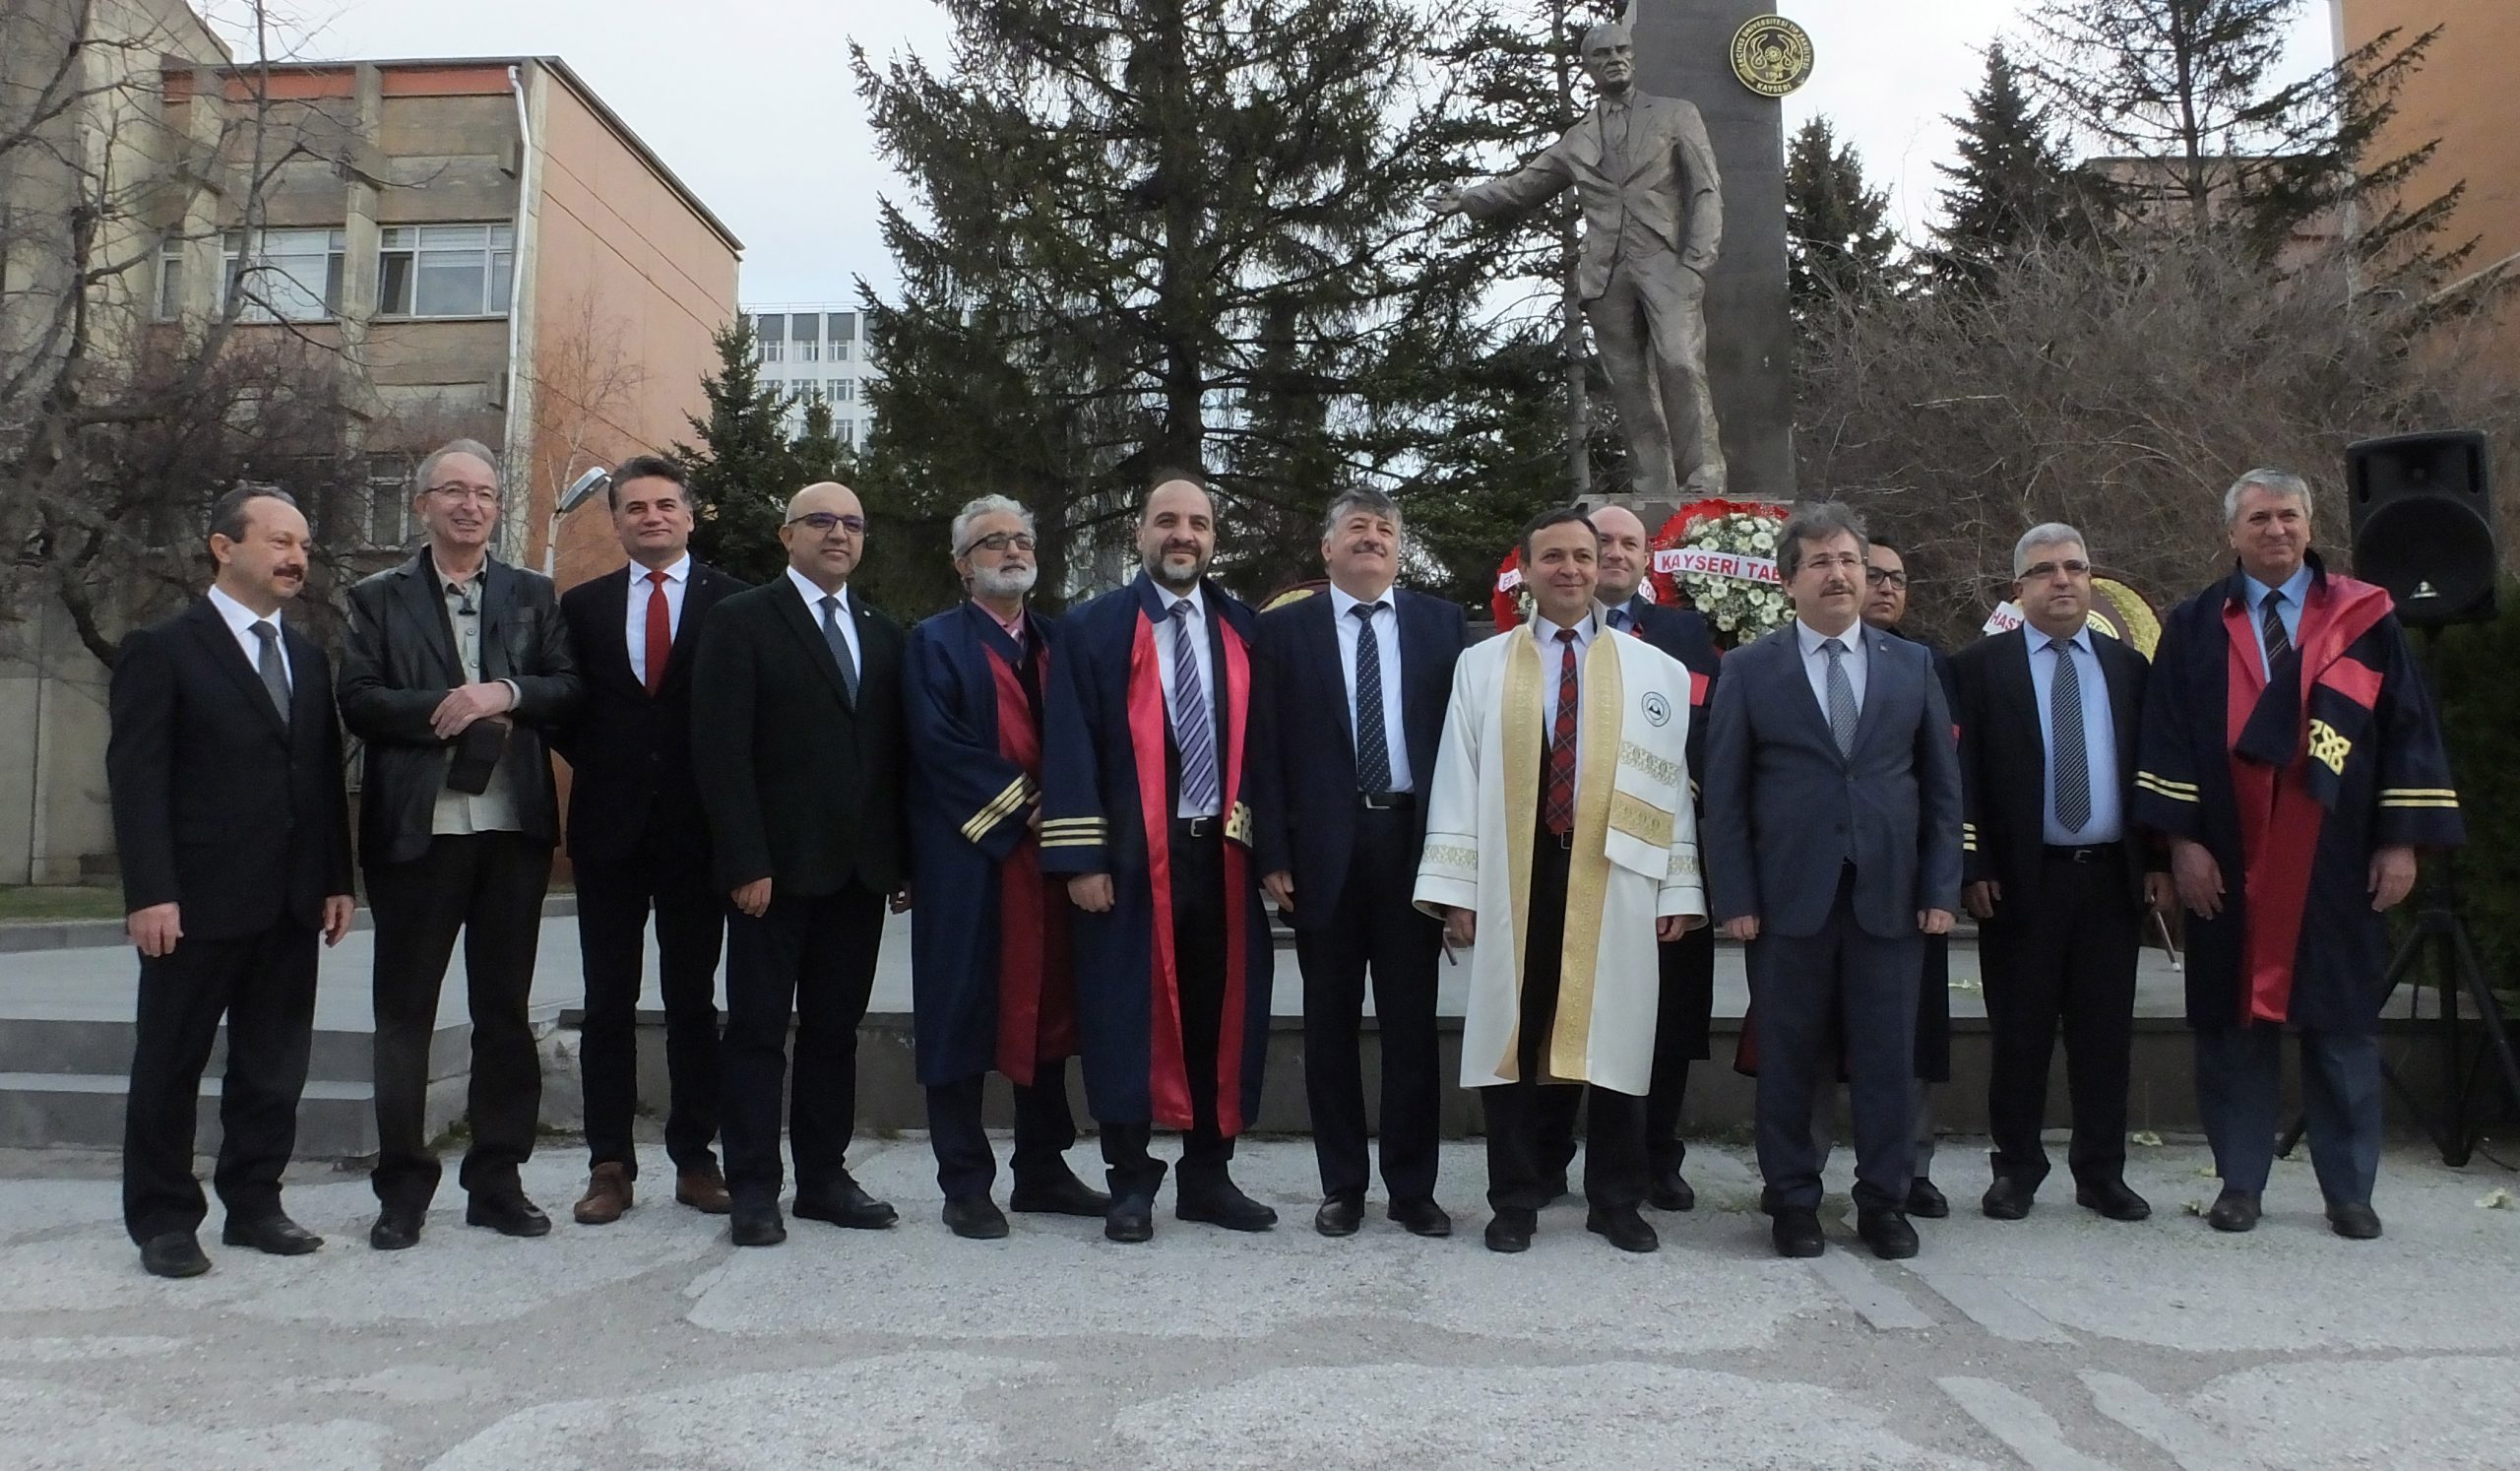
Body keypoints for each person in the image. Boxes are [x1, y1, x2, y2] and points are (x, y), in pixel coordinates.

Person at [2134, 470, 2462, 1240]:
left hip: (2337, 858)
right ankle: (2240, 1185)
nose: (2274, 530)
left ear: (2310, 526)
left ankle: (2349, 1191)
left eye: (2287, 516)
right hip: (2229, 859)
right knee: (2230, 1030)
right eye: (2258, 519)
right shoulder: (2193, 625)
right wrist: (2180, 844)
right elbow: (2168, 734)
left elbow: (2408, 730)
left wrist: (2401, 841)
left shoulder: (2364, 617)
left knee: (2343, 1026)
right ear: (2232, 533)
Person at [1416, 506, 1708, 1255]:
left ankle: (1617, 1197)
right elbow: (1457, 774)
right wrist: (1455, 889)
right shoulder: (1482, 666)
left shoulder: (1657, 673)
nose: (1572, 569)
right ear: (1528, 568)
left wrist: (1678, 887)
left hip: (1617, 872)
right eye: (1555, 557)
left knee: (1616, 1029)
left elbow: (1672, 787)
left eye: (1585, 555)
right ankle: (1516, 1196)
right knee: (1516, 1033)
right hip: (1518, 870)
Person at [340, 439, 583, 1250]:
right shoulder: (377, 597)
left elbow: (567, 687)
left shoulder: (532, 593)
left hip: (512, 834)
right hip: (418, 833)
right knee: (404, 1016)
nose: (470, 505)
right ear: (423, 505)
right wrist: (446, 708)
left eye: (483, 493)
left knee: (503, 1015)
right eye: (452, 491)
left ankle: (497, 1181)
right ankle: (403, 1187)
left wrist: (504, 692)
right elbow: (360, 699)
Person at [1702, 502, 1961, 1261]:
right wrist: (1737, 898)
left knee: (1888, 1058)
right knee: (1790, 1058)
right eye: (1820, 562)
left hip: (1889, 897)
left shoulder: (1912, 666)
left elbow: (1944, 791)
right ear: (1789, 582)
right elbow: (1726, 794)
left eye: (1851, 560)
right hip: (1787, 902)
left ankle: (1884, 1201)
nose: (1841, 574)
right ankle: (1792, 1200)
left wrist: (1940, 890)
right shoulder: (1750, 670)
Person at [107, 487, 355, 1278]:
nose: (295, 559)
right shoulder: (164, 649)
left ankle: (254, 1203)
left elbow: (319, 777)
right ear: (224, 547)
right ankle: (164, 1218)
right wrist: (150, 891)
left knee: (272, 1063)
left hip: (289, 903)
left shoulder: (309, 659)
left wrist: (336, 879)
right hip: (194, 904)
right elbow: (138, 779)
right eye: (280, 542)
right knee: (171, 1062)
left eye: (305, 547)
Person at [1040, 472, 1278, 1244]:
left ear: (1214, 539)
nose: (1184, 535)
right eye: (1167, 521)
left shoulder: (1245, 629)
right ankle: (1131, 1182)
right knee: (1125, 1018)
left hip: (1223, 857)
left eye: (1199, 523)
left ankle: (1209, 1177)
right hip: (1132, 856)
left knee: (1221, 1016)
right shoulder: (1093, 628)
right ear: (1140, 534)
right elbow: (1069, 746)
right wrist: (1081, 860)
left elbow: (1268, 759)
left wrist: (1275, 853)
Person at [691, 481, 911, 1247]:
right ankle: (753, 1187)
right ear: (787, 535)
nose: (839, 534)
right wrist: (744, 860)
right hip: (771, 877)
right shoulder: (742, 621)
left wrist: (901, 859)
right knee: (755, 1031)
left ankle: (824, 1177)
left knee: (834, 1031)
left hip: (859, 874)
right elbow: (720, 754)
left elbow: (892, 760)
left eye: (853, 523)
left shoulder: (884, 634)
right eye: (822, 521)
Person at [1254, 488, 1468, 1240]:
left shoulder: (1443, 627)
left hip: (1414, 847)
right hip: (1323, 857)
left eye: (1384, 529)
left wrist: (1462, 865)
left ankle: (1413, 1189)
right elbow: (1265, 748)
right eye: (1356, 527)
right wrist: (1272, 852)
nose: (1371, 538)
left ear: (1398, 549)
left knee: (1413, 1029)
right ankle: (1342, 1184)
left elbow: (1466, 749)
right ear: (1328, 548)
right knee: (1330, 1025)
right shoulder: (1284, 632)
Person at [903, 496, 1109, 1239]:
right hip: (967, 861)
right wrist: (1030, 806)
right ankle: (964, 1182)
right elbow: (937, 746)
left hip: (1050, 864)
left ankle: (1043, 1171)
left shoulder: (1063, 642)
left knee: (1050, 1013)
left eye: (1022, 539)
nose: (1012, 551)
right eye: (993, 542)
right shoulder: (932, 643)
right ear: (963, 564)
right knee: (958, 1013)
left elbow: (1092, 738)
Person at [552, 455, 747, 1225]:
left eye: (666, 505)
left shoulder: (734, 603)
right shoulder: (584, 607)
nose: (652, 518)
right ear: (617, 522)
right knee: (607, 1000)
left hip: (698, 834)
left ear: (691, 516)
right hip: (608, 831)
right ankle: (609, 1164)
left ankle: (696, 1157)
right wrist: (612, 768)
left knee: (693, 1000)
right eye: (635, 508)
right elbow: (567, 707)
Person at [1952, 524, 2164, 1223]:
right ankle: (2016, 1169)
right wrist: (1973, 860)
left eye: (2075, 566)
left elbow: (2151, 775)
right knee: (2020, 1034)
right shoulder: (1980, 668)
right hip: (2020, 880)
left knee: (2105, 1036)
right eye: (2045, 571)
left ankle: (2102, 1173)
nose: (2063, 580)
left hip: (2108, 879)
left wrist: (2158, 860)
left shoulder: (2127, 668)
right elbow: (1963, 776)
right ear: (2019, 589)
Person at [1429, 21, 1725, 498]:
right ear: (1588, 67)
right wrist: (1467, 199)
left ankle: (1704, 476)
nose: (1614, 58)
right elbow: (1523, 185)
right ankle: (1652, 485)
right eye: (1602, 53)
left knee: (1680, 361)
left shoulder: (1676, 115)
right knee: (1627, 383)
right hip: (1605, 273)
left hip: (1667, 262)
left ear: (1633, 54)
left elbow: (1706, 188)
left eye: (1621, 49)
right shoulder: (1576, 139)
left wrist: (1697, 260)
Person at [1534, 503, 1720, 1215]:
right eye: (1598, 541)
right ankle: (1549, 1155)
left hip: (1654, 852)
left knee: (1662, 1016)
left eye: (1627, 543)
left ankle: (1654, 1156)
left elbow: (1703, 736)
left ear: (1648, 559)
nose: (1611, 553)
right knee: (1555, 1000)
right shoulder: (1531, 643)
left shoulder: (1684, 636)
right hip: (1559, 853)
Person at [1849, 537, 1958, 1218]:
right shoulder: (1785, 664)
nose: (1886, 588)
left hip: (1906, 885)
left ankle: (1908, 1170)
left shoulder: (1927, 667)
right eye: (1874, 574)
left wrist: (1943, 883)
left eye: (1898, 578)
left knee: (1910, 1036)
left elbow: (1949, 787)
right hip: (1819, 885)